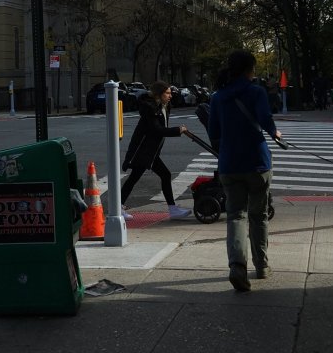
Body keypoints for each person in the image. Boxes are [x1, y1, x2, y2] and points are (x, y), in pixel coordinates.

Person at [206, 50, 282, 292]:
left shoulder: (218, 97)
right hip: (257, 162)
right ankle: (262, 266)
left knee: (235, 215)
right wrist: (275, 132)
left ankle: (237, 266)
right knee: (258, 215)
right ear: (250, 69)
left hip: (229, 164)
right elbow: (265, 118)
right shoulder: (256, 91)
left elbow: (213, 133)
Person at [119, 81, 192, 220]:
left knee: (160, 175)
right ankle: (119, 208)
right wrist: (178, 130)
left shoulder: (163, 107)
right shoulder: (150, 108)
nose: (170, 96)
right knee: (138, 177)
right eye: (167, 93)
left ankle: (172, 209)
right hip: (143, 150)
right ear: (159, 94)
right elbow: (157, 129)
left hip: (151, 151)